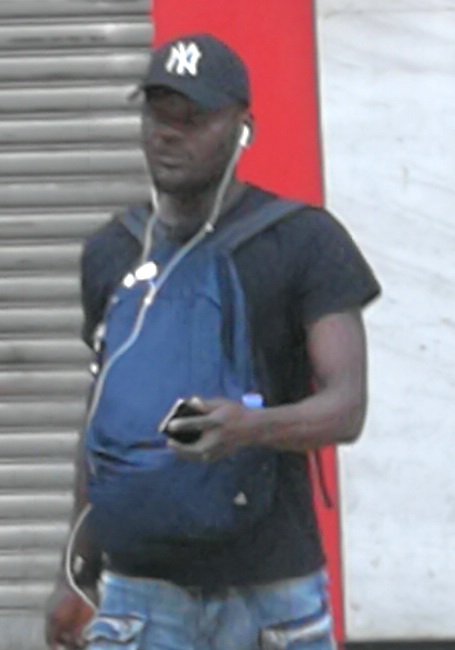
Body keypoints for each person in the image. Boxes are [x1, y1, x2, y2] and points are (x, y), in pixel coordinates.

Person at [45, 33, 380, 650]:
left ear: (242, 128)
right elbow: (99, 419)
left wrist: (250, 428)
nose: (169, 134)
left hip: (271, 597)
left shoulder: (304, 242)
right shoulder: (112, 250)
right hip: (137, 597)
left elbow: (346, 407)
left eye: (193, 118)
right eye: (158, 114)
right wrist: (76, 570)